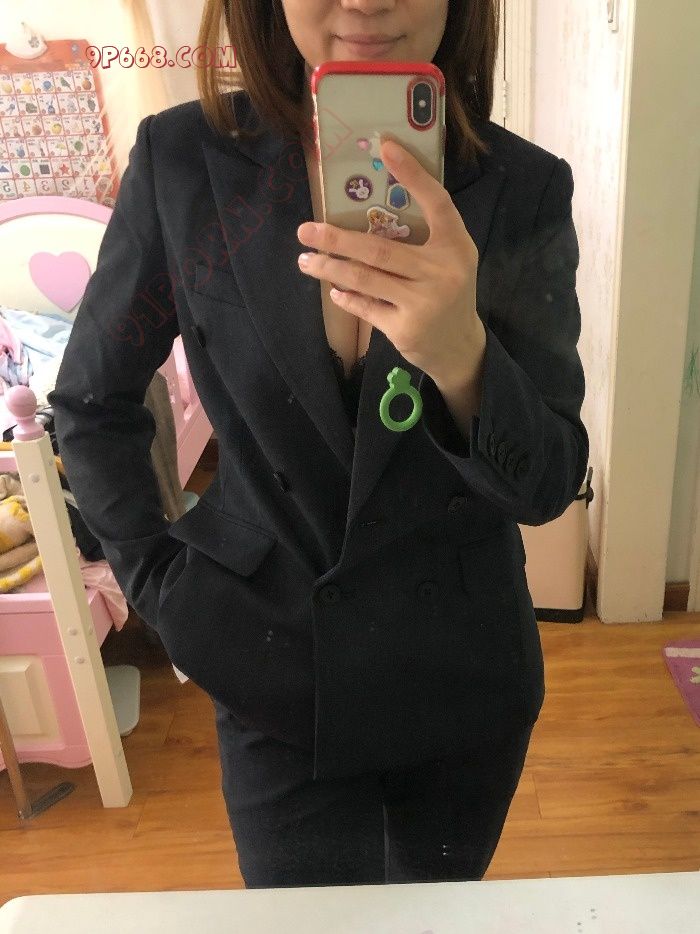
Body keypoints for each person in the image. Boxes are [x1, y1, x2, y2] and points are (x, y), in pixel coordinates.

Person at [48, 0, 589, 888]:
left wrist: (461, 355)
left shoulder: (523, 188)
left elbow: (549, 481)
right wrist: (163, 589)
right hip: (266, 667)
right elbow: (92, 401)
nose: (366, 0)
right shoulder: (185, 162)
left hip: (460, 682)